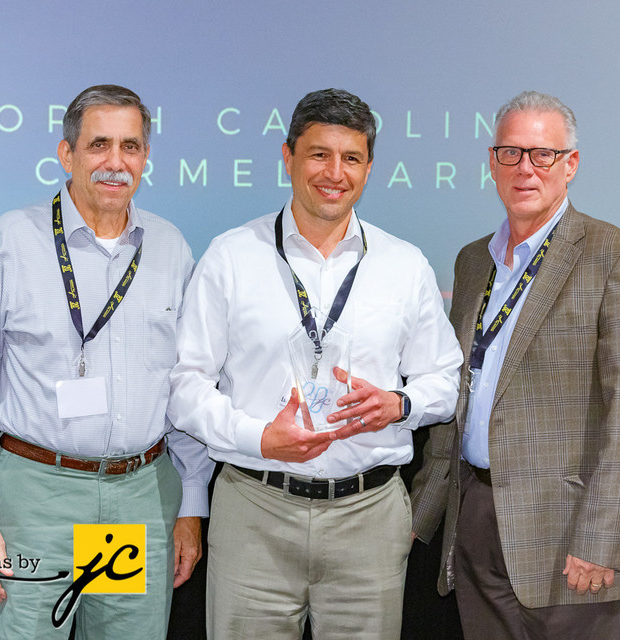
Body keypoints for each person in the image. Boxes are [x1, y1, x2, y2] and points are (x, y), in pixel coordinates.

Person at [168, 88, 463, 640]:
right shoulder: (231, 257)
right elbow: (186, 387)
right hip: (255, 508)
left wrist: (399, 404)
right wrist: (259, 437)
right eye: (318, 154)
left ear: (370, 168)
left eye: (351, 158)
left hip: (368, 516)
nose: (335, 172)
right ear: (288, 158)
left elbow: (444, 380)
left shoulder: (405, 265)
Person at [0, 84, 215, 639]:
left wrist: (192, 503)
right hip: (34, 499)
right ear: (67, 154)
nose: (116, 163)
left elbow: (187, 386)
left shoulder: (169, 248)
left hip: (138, 497)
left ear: (145, 157)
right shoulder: (11, 241)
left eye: (131, 147)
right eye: (99, 145)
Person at [411, 90, 620, 640]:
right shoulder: (472, 259)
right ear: (492, 162)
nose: (525, 168)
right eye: (511, 153)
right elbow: (464, 390)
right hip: (477, 519)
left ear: (570, 164)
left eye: (542, 154)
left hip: (571, 535)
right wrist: (426, 514)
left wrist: (602, 543)